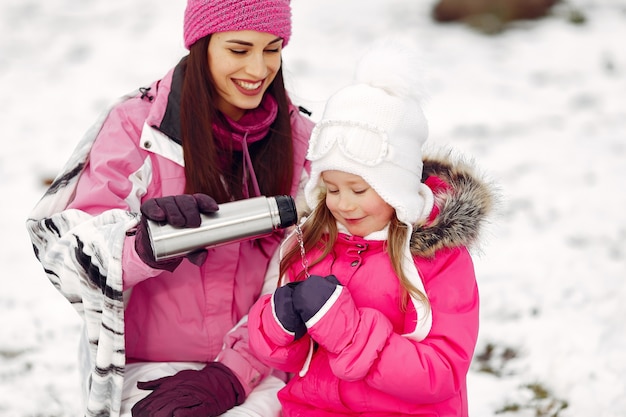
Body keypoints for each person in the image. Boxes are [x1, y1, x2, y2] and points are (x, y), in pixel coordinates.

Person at [25, 0, 315, 416]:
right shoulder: (137, 128)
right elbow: (70, 250)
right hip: (142, 371)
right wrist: (141, 244)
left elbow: (302, 276)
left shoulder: (301, 141)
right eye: (239, 49)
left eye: (272, 49)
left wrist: (232, 375)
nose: (258, 70)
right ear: (202, 44)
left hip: (259, 368)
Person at [247, 42, 497, 416]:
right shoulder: (314, 243)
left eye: (359, 190)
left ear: (395, 188)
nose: (343, 204)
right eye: (331, 189)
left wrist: (348, 332)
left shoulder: (438, 258)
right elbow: (286, 358)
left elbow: (441, 370)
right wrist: (277, 323)